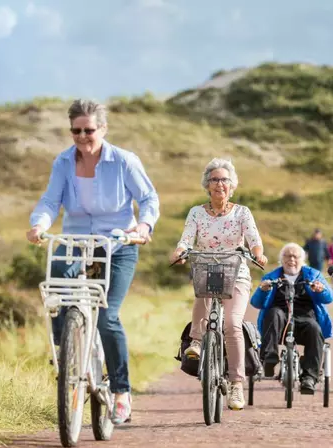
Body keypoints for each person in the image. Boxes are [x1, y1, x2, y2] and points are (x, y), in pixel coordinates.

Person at [26, 98, 160, 424]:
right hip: (75, 243)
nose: (82, 137)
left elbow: (148, 199)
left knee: (106, 315)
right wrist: (39, 225)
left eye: (89, 130)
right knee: (56, 286)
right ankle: (66, 349)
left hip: (116, 245)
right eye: (76, 130)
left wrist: (143, 227)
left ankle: (121, 391)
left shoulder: (124, 161)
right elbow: (50, 200)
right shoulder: (63, 162)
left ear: (102, 129)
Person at [169, 158, 268, 411]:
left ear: (232, 185)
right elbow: (186, 239)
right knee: (201, 298)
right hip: (206, 269)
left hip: (237, 273)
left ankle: (236, 384)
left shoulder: (242, 213)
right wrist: (179, 252)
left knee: (232, 324)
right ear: (207, 185)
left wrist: (258, 253)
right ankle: (196, 343)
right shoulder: (196, 213)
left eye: (224, 180)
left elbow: (254, 240)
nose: (219, 184)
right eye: (214, 179)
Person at [250, 243, 333, 394]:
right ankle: (269, 357)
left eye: (296, 256)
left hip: (305, 317)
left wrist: (321, 290)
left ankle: (309, 377)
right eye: (288, 256)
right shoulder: (272, 276)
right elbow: (256, 302)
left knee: (315, 329)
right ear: (281, 259)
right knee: (273, 313)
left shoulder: (313, 275)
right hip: (280, 317)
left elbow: (329, 297)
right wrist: (263, 290)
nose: (292, 259)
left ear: (303, 260)